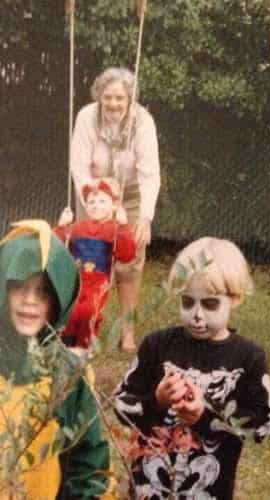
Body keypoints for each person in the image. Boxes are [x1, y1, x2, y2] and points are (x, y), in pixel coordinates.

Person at [114, 237, 270, 499]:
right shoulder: (157, 345)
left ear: (235, 298)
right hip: (149, 489)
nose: (197, 314)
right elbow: (120, 404)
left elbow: (264, 425)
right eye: (187, 302)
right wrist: (157, 401)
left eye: (210, 304)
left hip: (209, 490)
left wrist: (206, 417)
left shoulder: (248, 358)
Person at [0, 220, 110, 499]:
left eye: (43, 290)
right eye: (20, 286)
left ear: (60, 297)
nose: (30, 300)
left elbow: (87, 464)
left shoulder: (67, 373)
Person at [71, 67, 161, 353]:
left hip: (130, 195)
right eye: (107, 97)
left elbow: (150, 173)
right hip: (93, 194)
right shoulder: (86, 117)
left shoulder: (143, 121)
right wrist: (96, 202)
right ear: (99, 96)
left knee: (129, 263)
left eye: (120, 98)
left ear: (130, 99)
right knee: (90, 260)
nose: (113, 104)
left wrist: (145, 217)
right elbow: (79, 167)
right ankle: (84, 327)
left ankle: (127, 332)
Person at [54, 178, 136, 348]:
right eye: (91, 202)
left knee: (89, 310)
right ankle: (67, 340)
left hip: (98, 282)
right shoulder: (77, 227)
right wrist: (61, 227)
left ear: (114, 205)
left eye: (102, 201)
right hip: (76, 280)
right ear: (86, 206)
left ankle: (85, 343)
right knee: (71, 308)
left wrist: (124, 226)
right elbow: (57, 247)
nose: (96, 206)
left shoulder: (115, 228)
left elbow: (126, 255)